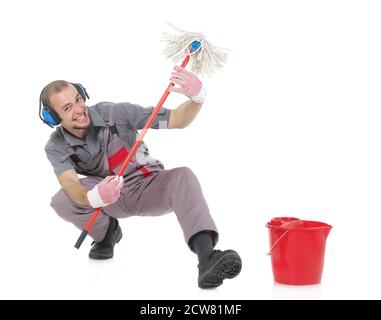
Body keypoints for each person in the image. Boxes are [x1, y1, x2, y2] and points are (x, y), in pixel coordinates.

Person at [41, 67, 242, 288]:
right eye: (67, 108)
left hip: (148, 188)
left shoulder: (114, 113)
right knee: (62, 199)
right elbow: (69, 182)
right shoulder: (56, 145)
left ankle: (207, 259)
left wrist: (197, 98)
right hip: (109, 196)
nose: (79, 109)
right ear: (54, 117)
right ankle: (107, 234)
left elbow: (176, 119)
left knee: (183, 175)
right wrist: (95, 197)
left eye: (78, 99)